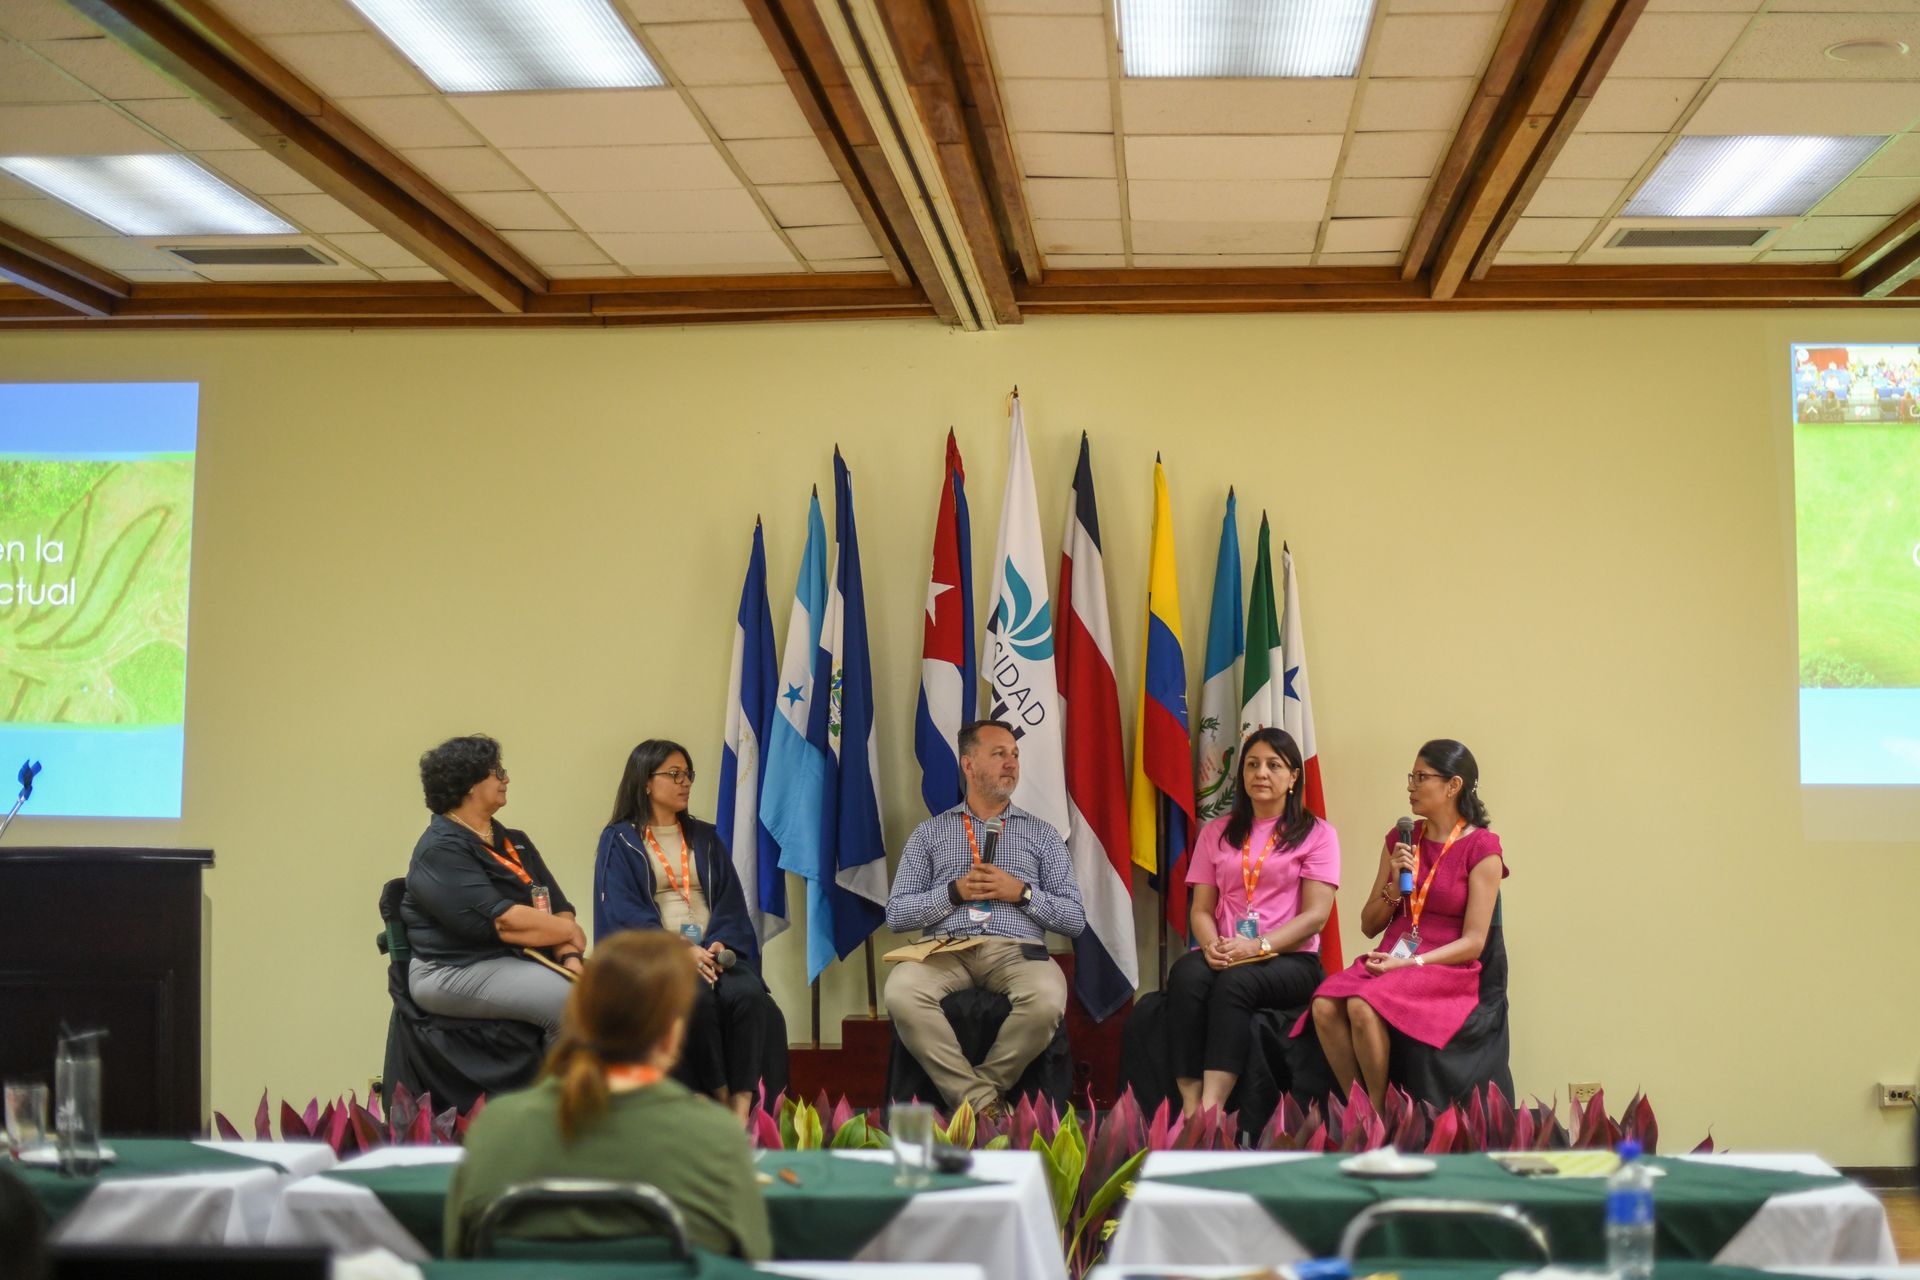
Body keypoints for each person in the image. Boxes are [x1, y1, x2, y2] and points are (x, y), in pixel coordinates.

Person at [444, 930, 772, 1260]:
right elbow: (751, 1261)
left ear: (577, 1018)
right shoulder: (715, 1138)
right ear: (672, 1035)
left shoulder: (495, 1129)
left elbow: (459, 1256)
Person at [884, 719, 1086, 1120]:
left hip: (1016, 952)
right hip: (947, 949)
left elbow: (1075, 919)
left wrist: (1022, 893)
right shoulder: (930, 834)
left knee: (1047, 999)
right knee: (900, 992)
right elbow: (896, 914)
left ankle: (978, 1097)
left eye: (1014, 755)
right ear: (968, 764)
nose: (1011, 763)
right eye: (999, 754)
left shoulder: (1042, 835)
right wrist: (953, 893)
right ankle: (987, 1104)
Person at [1299, 738, 1507, 1111]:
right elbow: (1368, 924)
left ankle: (1377, 1114)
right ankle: (1357, 1106)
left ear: (1453, 785)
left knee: (1362, 1005)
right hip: (1392, 954)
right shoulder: (1402, 839)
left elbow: (1474, 943)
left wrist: (1410, 964)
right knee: (1325, 1006)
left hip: (1444, 966)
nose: (1410, 786)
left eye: (1421, 777)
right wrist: (1395, 885)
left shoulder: (1483, 848)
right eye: (1410, 776)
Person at [594, 739, 773, 1124]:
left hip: (715, 950)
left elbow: (728, 899)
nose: (685, 782)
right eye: (674, 774)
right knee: (694, 998)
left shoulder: (705, 837)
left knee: (749, 995)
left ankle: (743, 1107)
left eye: (688, 774)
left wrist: (717, 943)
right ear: (645, 782)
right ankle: (720, 1097)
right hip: (658, 956)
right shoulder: (620, 840)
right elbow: (624, 911)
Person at [1164, 728, 1339, 1115]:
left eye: (1274, 765)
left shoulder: (1317, 834)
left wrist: (1257, 946)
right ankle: (1190, 1104)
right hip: (1227, 949)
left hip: (1290, 959)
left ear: (1293, 776)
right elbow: (1201, 909)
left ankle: (1213, 1109)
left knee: (1235, 982)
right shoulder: (1217, 832)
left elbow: (1316, 917)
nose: (1261, 773)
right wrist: (1210, 945)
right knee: (1186, 974)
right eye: (1252, 764)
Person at [403, 735, 584, 1039]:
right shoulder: (440, 849)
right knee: (574, 1006)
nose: (507, 778)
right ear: (470, 783)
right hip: (452, 968)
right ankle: (564, 1089)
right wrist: (568, 934)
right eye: (497, 772)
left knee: (620, 993)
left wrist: (570, 956)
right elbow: (504, 921)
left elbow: (560, 909)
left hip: (516, 956)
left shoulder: (516, 840)